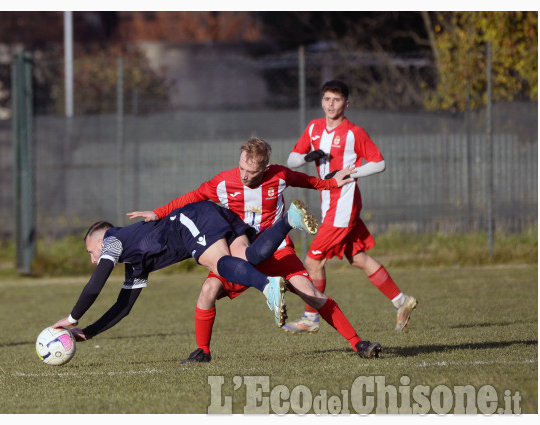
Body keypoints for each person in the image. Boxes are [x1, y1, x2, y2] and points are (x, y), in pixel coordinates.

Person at [128, 137, 382, 362]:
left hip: (278, 251)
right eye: (241, 168)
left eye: (251, 171)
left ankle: (358, 344)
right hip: (240, 253)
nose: (244, 175)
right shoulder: (223, 182)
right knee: (207, 291)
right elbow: (193, 197)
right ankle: (202, 351)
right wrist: (158, 212)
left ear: (265, 168)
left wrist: (333, 182)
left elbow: (311, 182)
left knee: (311, 293)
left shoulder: (280, 175)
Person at [52, 199, 317, 342]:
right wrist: (88, 332)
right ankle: (288, 221)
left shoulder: (111, 239)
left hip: (190, 219)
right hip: (207, 215)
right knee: (249, 257)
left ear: (99, 241)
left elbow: (96, 284)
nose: (92, 260)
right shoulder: (135, 263)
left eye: (90, 252)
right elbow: (123, 306)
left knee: (218, 264)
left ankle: (268, 287)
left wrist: (73, 317)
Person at [285, 80, 418, 334]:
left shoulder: (354, 133)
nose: (330, 104)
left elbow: (379, 163)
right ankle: (402, 301)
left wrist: (351, 173)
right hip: (331, 206)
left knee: (312, 261)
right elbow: (292, 160)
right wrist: (307, 158)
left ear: (346, 103)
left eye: (336, 99)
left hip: (343, 207)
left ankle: (311, 317)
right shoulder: (313, 128)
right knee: (358, 259)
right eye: (326, 99)